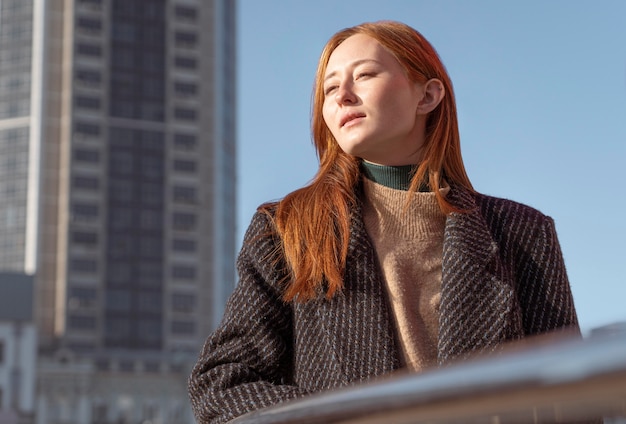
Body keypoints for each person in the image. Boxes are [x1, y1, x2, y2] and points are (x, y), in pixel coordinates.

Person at [188, 20, 582, 423]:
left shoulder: (522, 230)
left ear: (427, 95)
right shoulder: (286, 229)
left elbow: (572, 398)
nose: (342, 96)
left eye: (364, 75)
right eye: (328, 88)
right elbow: (221, 381)